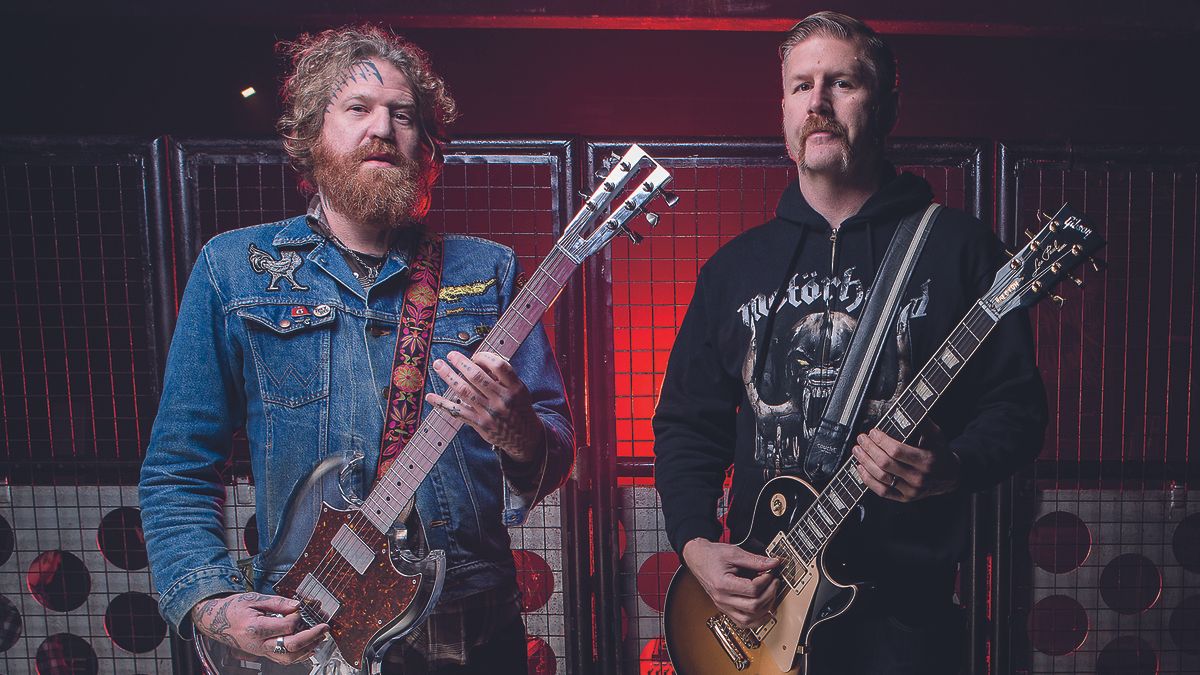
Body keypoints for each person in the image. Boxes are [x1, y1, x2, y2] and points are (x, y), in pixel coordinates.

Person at [139, 25, 574, 674]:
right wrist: (209, 601)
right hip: (311, 626)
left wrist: (523, 436)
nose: (384, 128)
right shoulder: (234, 271)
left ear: (426, 148)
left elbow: (554, 452)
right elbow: (177, 469)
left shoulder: (489, 272)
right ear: (312, 137)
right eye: (358, 109)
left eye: (404, 115)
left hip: (470, 638)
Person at [653, 11, 1047, 674]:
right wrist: (694, 543)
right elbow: (687, 424)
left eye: (843, 83)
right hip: (760, 608)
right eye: (802, 85)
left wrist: (953, 466)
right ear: (783, 107)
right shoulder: (733, 269)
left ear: (888, 102)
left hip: (907, 619)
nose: (819, 102)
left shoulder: (956, 249)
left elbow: (1016, 408)